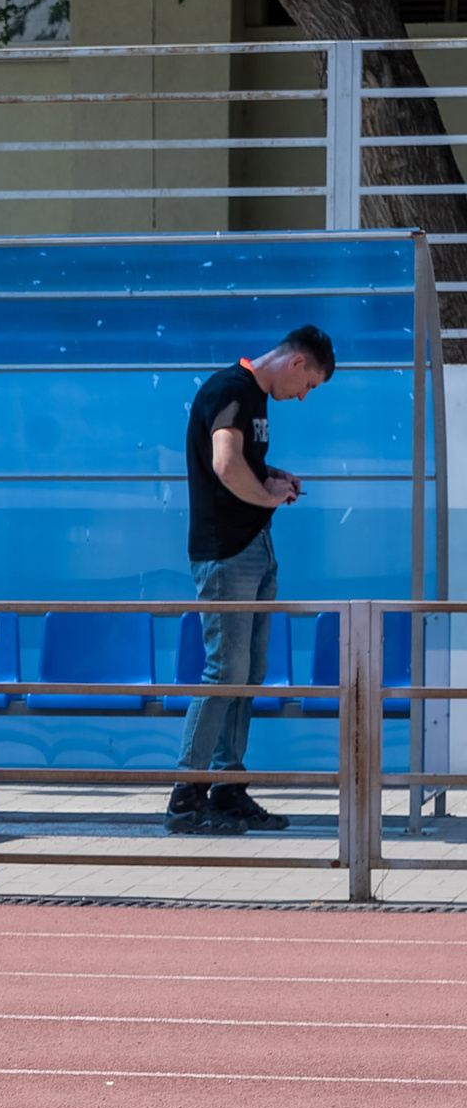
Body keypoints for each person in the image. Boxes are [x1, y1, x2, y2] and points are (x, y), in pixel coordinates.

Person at [168, 325, 332, 836]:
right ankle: (186, 796)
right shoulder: (231, 391)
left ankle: (228, 785)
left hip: (254, 549)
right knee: (225, 672)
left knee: (248, 672)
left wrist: (274, 477)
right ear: (297, 363)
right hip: (227, 554)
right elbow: (224, 464)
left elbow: (244, 464)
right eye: (308, 385)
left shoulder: (254, 399)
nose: (303, 396)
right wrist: (267, 497)